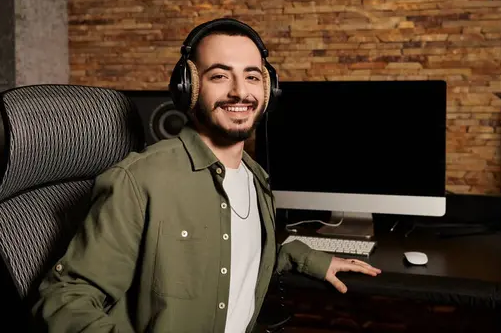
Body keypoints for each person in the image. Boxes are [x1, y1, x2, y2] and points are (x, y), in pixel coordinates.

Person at [31, 18, 381, 333]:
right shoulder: (140, 182)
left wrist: (313, 259)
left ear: (268, 90)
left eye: (252, 76)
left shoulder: (255, 177)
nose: (240, 92)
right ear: (189, 87)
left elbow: (242, 251)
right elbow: (65, 300)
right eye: (219, 75)